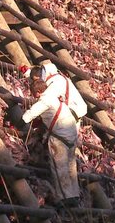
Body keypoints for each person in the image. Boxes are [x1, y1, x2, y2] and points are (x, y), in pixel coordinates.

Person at [20, 63, 87, 208]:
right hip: (71, 135)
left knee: (59, 167)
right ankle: (74, 194)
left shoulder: (46, 98)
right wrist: (27, 72)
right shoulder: (54, 92)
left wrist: (21, 122)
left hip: (59, 137)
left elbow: (31, 113)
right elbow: (37, 77)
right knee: (71, 166)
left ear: (37, 93)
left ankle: (64, 197)